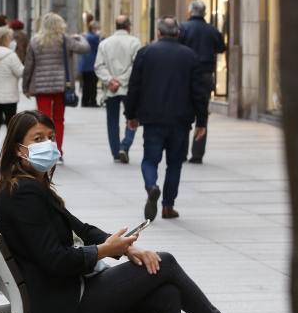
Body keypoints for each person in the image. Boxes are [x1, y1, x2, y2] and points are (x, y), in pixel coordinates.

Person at [0, 110, 276, 313]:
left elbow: (82, 228)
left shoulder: (27, 186)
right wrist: (105, 251)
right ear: (19, 149)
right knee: (165, 263)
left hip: (64, 295)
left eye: (50, 137)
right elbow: (55, 260)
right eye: (37, 139)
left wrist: (125, 247)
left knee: (167, 293)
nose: (48, 144)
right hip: (64, 304)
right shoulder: (24, 193)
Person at [125, 17, 208, 220]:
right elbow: (199, 92)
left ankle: (152, 185)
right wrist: (201, 121)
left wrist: (131, 115)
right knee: (175, 164)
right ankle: (167, 206)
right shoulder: (190, 56)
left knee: (150, 160)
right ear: (178, 33)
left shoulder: (145, 53)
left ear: (158, 33)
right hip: (180, 120)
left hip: (152, 119)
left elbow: (134, 86)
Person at [22, 12, 89, 162]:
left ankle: (45, 151)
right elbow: (85, 48)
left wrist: (25, 86)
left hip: (41, 87)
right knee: (59, 119)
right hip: (61, 86)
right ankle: (58, 151)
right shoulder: (65, 40)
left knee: (43, 120)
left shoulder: (35, 41)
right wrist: (80, 37)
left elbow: (28, 66)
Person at [180, 0, 226, 164]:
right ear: (204, 13)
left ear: (190, 12)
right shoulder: (212, 30)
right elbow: (221, 47)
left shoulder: (183, 28)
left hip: (185, 75)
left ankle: (181, 151)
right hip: (205, 75)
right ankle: (197, 153)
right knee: (202, 112)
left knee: (184, 112)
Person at [94, 15, 142, 164]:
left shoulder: (105, 43)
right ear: (129, 26)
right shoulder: (135, 42)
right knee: (132, 117)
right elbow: (136, 66)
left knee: (112, 120)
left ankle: (116, 152)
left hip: (111, 89)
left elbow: (98, 66)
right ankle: (125, 145)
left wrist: (110, 81)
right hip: (128, 87)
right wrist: (121, 81)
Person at [0, 26, 24, 165]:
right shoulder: (11, 55)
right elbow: (20, 72)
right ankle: (10, 153)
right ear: (7, 39)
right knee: (11, 126)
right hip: (9, 97)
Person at [79, 21, 101, 108]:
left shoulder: (85, 36)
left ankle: (84, 101)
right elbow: (99, 46)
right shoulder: (94, 37)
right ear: (94, 28)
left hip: (84, 64)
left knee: (86, 84)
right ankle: (92, 101)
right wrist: (99, 36)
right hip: (92, 64)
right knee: (92, 84)